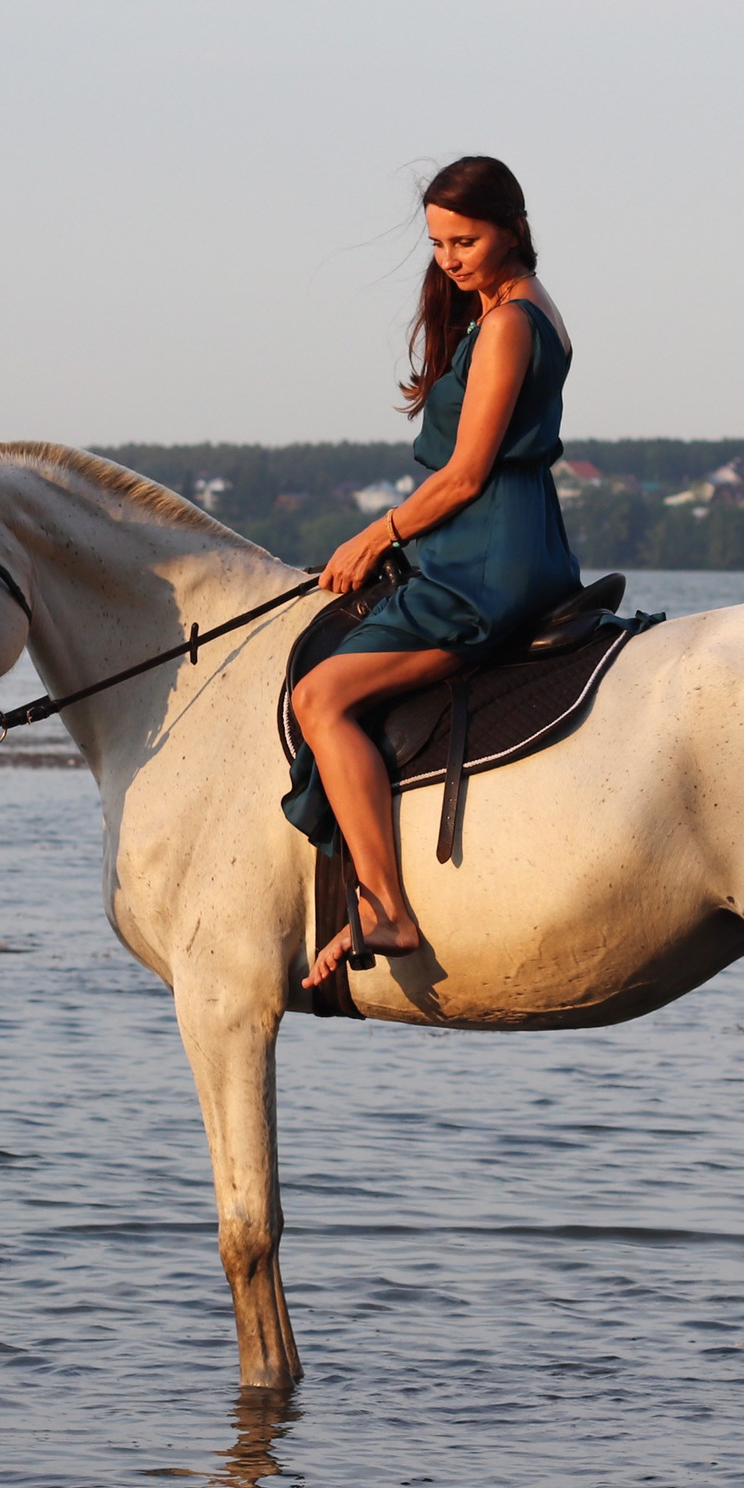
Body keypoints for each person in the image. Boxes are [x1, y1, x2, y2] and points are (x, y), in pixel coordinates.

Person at [284, 156, 583, 987]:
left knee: (320, 696)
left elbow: (466, 474)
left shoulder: (512, 322)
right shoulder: (510, 308)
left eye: (466, 241)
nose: (450, 259)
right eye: (439, 243)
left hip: (487, 560)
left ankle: (386, 905)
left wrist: (374, 536)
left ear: (512, 229)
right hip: (492, 542)